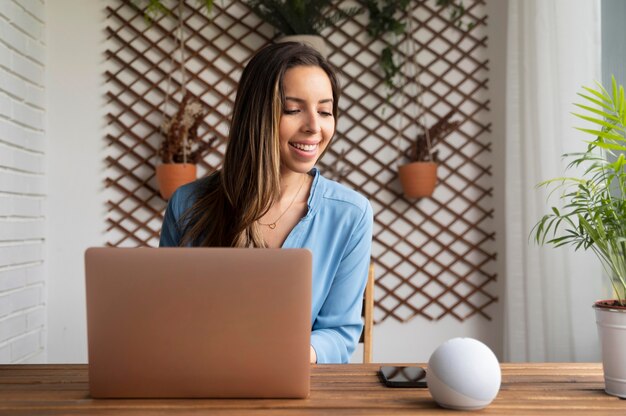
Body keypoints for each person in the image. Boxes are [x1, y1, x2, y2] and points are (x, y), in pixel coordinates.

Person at [159, 42, 373, 364]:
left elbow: (340, 332)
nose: (314, 126)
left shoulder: (350, 214)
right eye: (293, 109)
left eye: (325, 111)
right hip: (200, 380)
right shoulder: (188, 204)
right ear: (256, 115)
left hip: (295, 388)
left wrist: (290, 354)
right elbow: (164, 319)